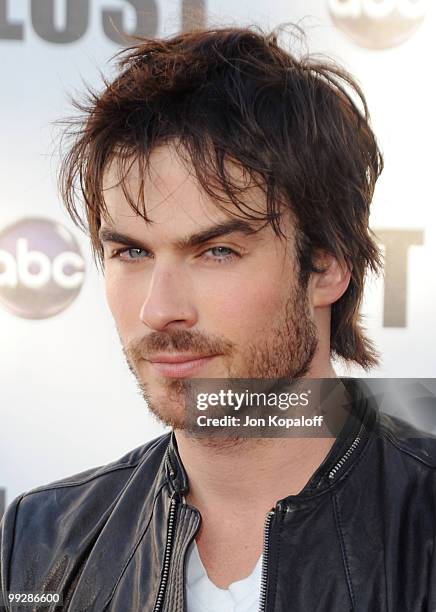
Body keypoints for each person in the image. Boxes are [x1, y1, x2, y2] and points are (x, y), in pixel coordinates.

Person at [1, 25, 435, 612]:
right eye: (132, 252)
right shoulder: (42, 540)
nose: (160, 309)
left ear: (327, 268)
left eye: (217, 252)